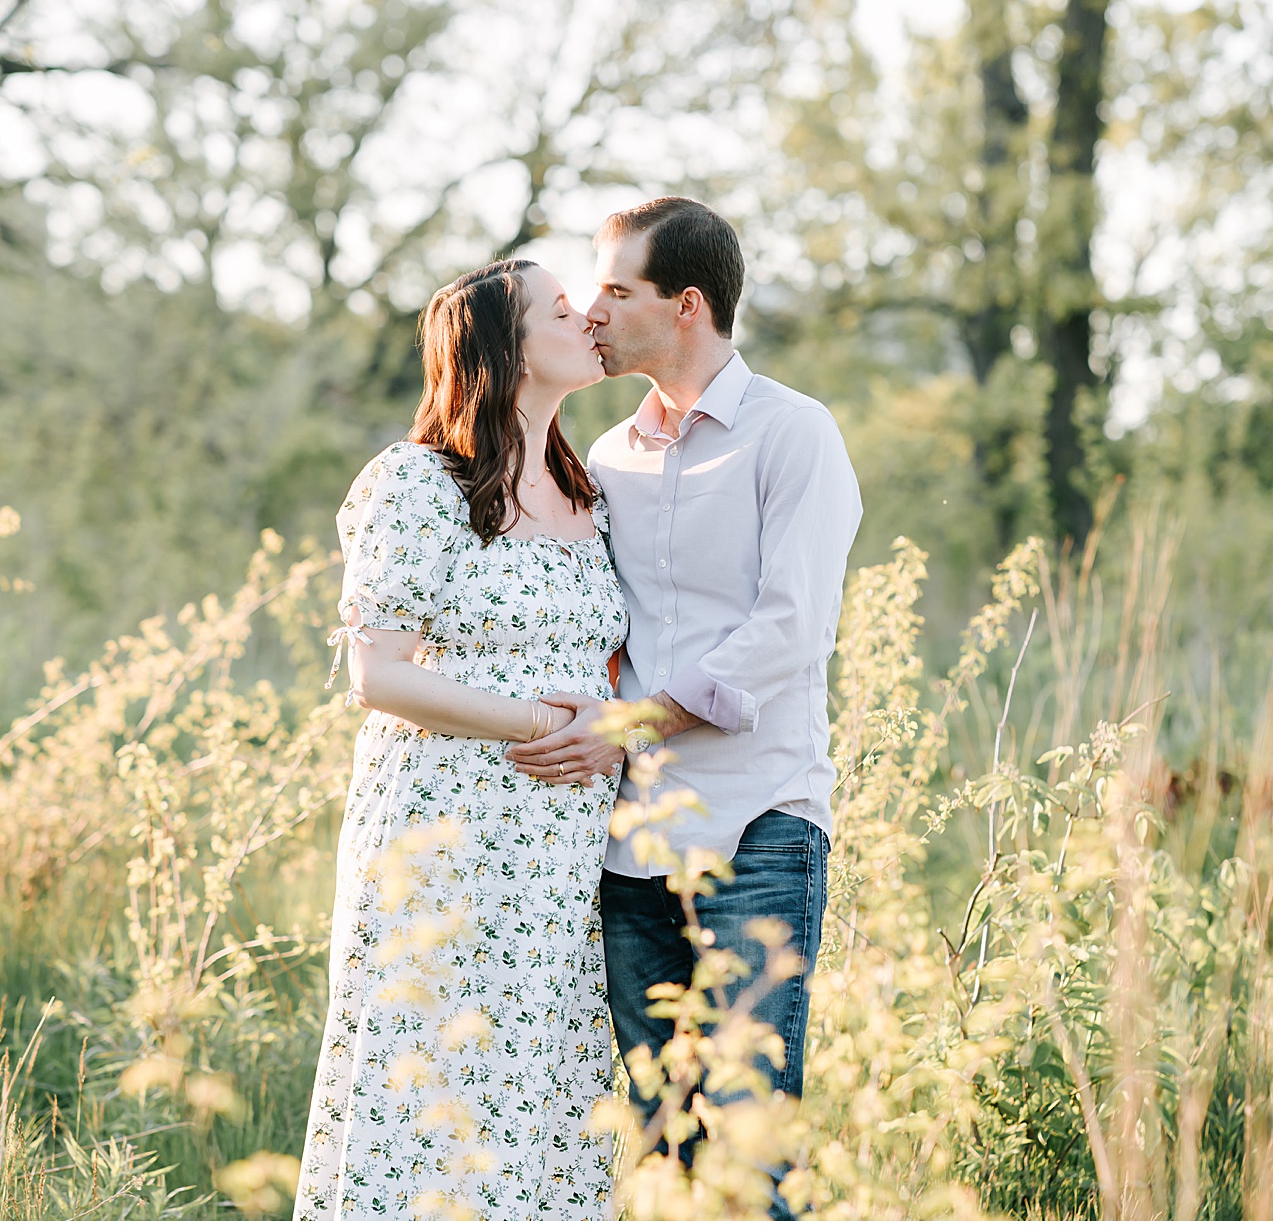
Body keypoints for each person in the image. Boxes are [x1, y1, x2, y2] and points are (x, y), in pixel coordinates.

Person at [507, 197, 863, 1218]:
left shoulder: (792, 435)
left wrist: (628, 722)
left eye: (617, 289)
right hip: (627, 847)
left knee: (751, 1138)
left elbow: (790, 627)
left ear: (687, 306)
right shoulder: (606, 456)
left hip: (758, 822)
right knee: (658, 1142)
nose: (592, 308)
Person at [293, 259, 625, 1220]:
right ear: (508, 348)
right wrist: (538, 725)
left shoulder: (590, 492)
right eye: (563, 310)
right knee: (430, 1083)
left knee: (541, 1093)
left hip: (561, 856)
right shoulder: (419, 483)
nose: (588, 318)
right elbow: (380, 674)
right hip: (446, 833)